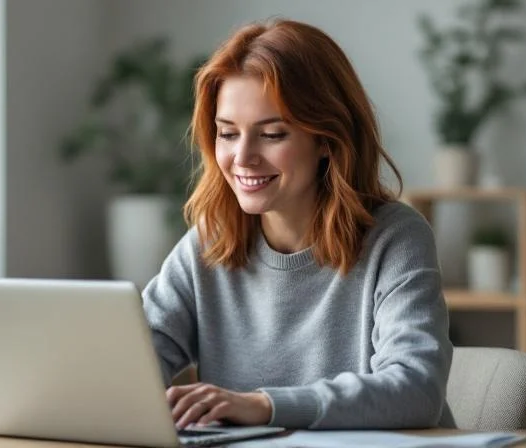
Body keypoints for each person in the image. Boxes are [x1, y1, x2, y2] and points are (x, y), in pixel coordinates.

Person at [142, 18, 454, 431]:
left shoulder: (395, 237)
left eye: (271, 135)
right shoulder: (211, 240)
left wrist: (264, 406)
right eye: (227, 133)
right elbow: (131, 363)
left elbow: (417, 390)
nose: (243, 157)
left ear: (327, 139)